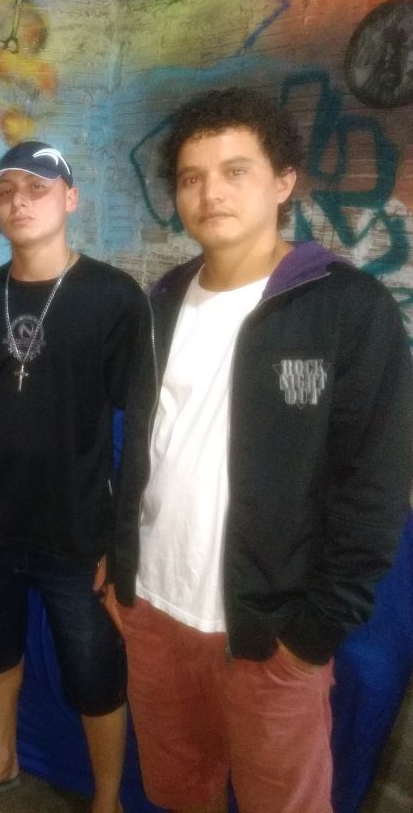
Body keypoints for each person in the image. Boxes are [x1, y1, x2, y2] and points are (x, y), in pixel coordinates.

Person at [106, 87, 413, 813]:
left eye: (235, 171)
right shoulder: (160, 304)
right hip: (154, 612)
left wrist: (311, 636)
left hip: (269, 635)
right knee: (180, 794)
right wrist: (121, 571)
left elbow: (373, 490)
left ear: (283, 181)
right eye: (191, 177)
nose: (210, 192)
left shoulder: (347, 309)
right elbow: (144, 453)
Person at [0, 141, 142, 813]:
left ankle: (107, 798)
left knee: (95, 673)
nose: (20, 202)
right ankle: (0, 755)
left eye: (38, 188)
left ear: (70, 199)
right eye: (8, 191)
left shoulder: (114, 297)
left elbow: (142, 429)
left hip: (76, 531)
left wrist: (124, 541)